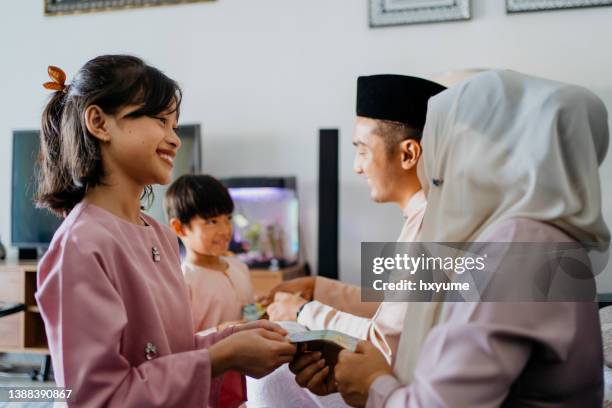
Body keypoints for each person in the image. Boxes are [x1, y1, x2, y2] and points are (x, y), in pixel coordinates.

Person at [324, 70, 609, 407]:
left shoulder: (516, 247)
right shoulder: (535, 237)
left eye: (443, 141)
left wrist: (373, 385)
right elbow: (396, 293)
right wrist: (321, 291)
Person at [35, 55, 295, 407]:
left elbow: (169, 355)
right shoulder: (81, 245)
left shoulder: (158, 234)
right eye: (161, 121)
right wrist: (220, 357)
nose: (174, 139)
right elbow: (97, 398)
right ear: (99, 122)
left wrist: (232, 341)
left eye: (175, 126)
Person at [247, 75, 445, 407]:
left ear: (409, 153)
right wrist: (320, 290)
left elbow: (387, 341)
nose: (356, 167)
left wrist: (304, 310)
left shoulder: (430, 223)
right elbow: (399, 305)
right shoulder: (424, 215)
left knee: (274, 357)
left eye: (362, 151)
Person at [165, 174, 254, 333]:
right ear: (179, 228)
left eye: (228, 218)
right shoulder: (183, 282)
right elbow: (179, 341)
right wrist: (222, 330)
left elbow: (250, 314)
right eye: (212, 222)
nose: (225, 230)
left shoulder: (240, 268)